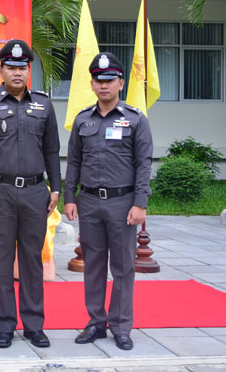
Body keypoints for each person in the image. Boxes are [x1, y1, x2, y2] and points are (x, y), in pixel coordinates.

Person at [0, 38, 61, 349]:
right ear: (1, 70)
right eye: (11, 67)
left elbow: (52, 149)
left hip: (35, 192)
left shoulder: (44, 104)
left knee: (32, 260)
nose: (17, 72)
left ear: (29, 70)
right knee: (2, 261)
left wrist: (56, 188)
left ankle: (34, 326)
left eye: (22, 67)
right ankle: (4, 326)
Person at [64, 52, 153, 351]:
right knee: (93, 266)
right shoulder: (82, 120)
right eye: (98, 80)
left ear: (120, 83)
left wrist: (140, 203)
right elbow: (74, 162)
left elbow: (143, 163)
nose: (104, 86)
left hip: (122, 203)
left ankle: (121, 326)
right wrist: (69, 198)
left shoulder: (135, 119)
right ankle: (96, 322)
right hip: (89, 202)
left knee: (124, 266)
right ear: (91, 84)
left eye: (109, 80)